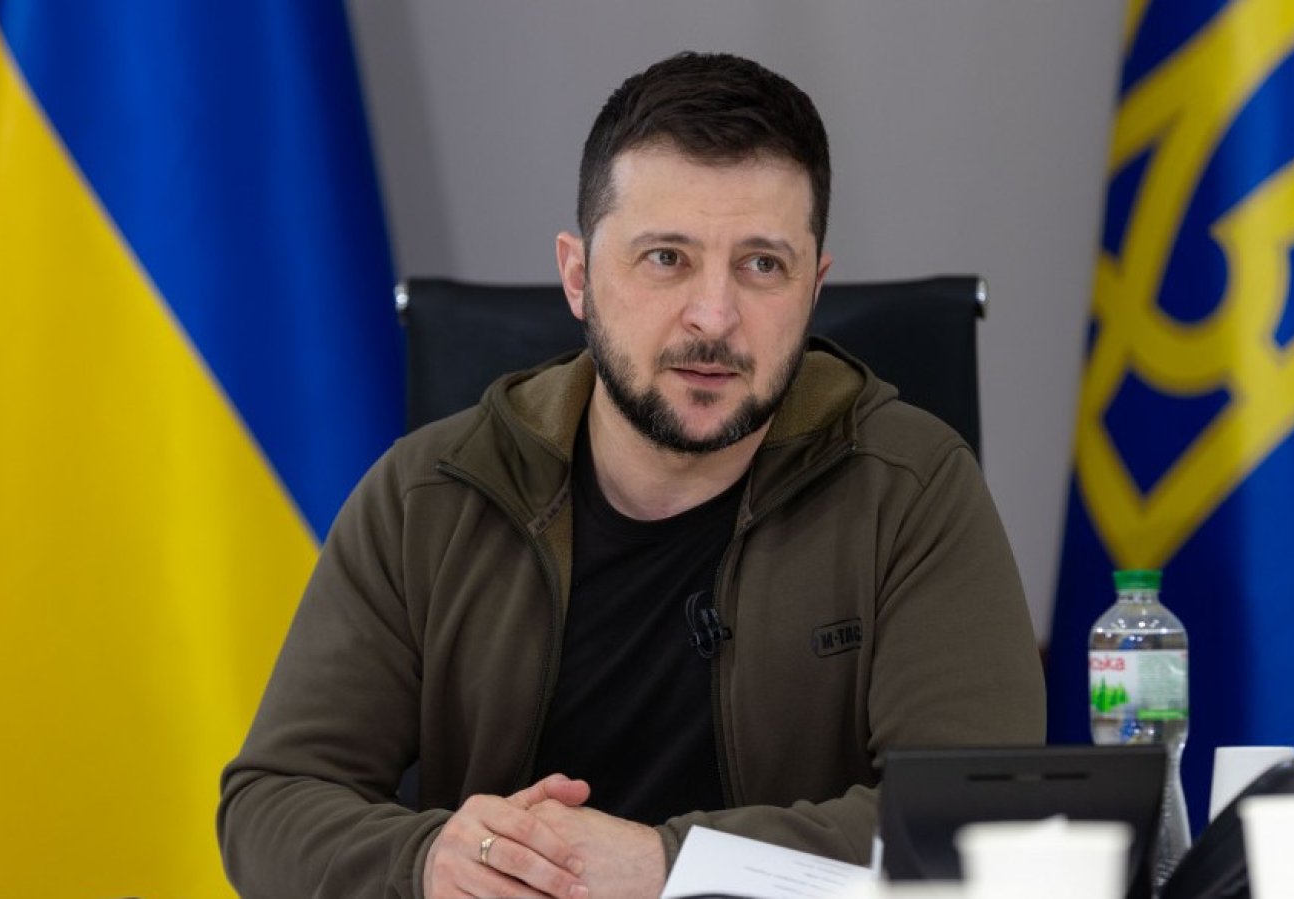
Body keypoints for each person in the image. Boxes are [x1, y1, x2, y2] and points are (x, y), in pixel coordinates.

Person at [218, 51, 1045, 898]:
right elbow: (269, 806)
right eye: (666, 258)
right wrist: (428, 860)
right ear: (578, 277)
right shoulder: (425, 495)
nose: (714, 316)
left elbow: (987, 827)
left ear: (813, 288)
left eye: (762, 264)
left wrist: (667, 865)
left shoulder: (912, 489)